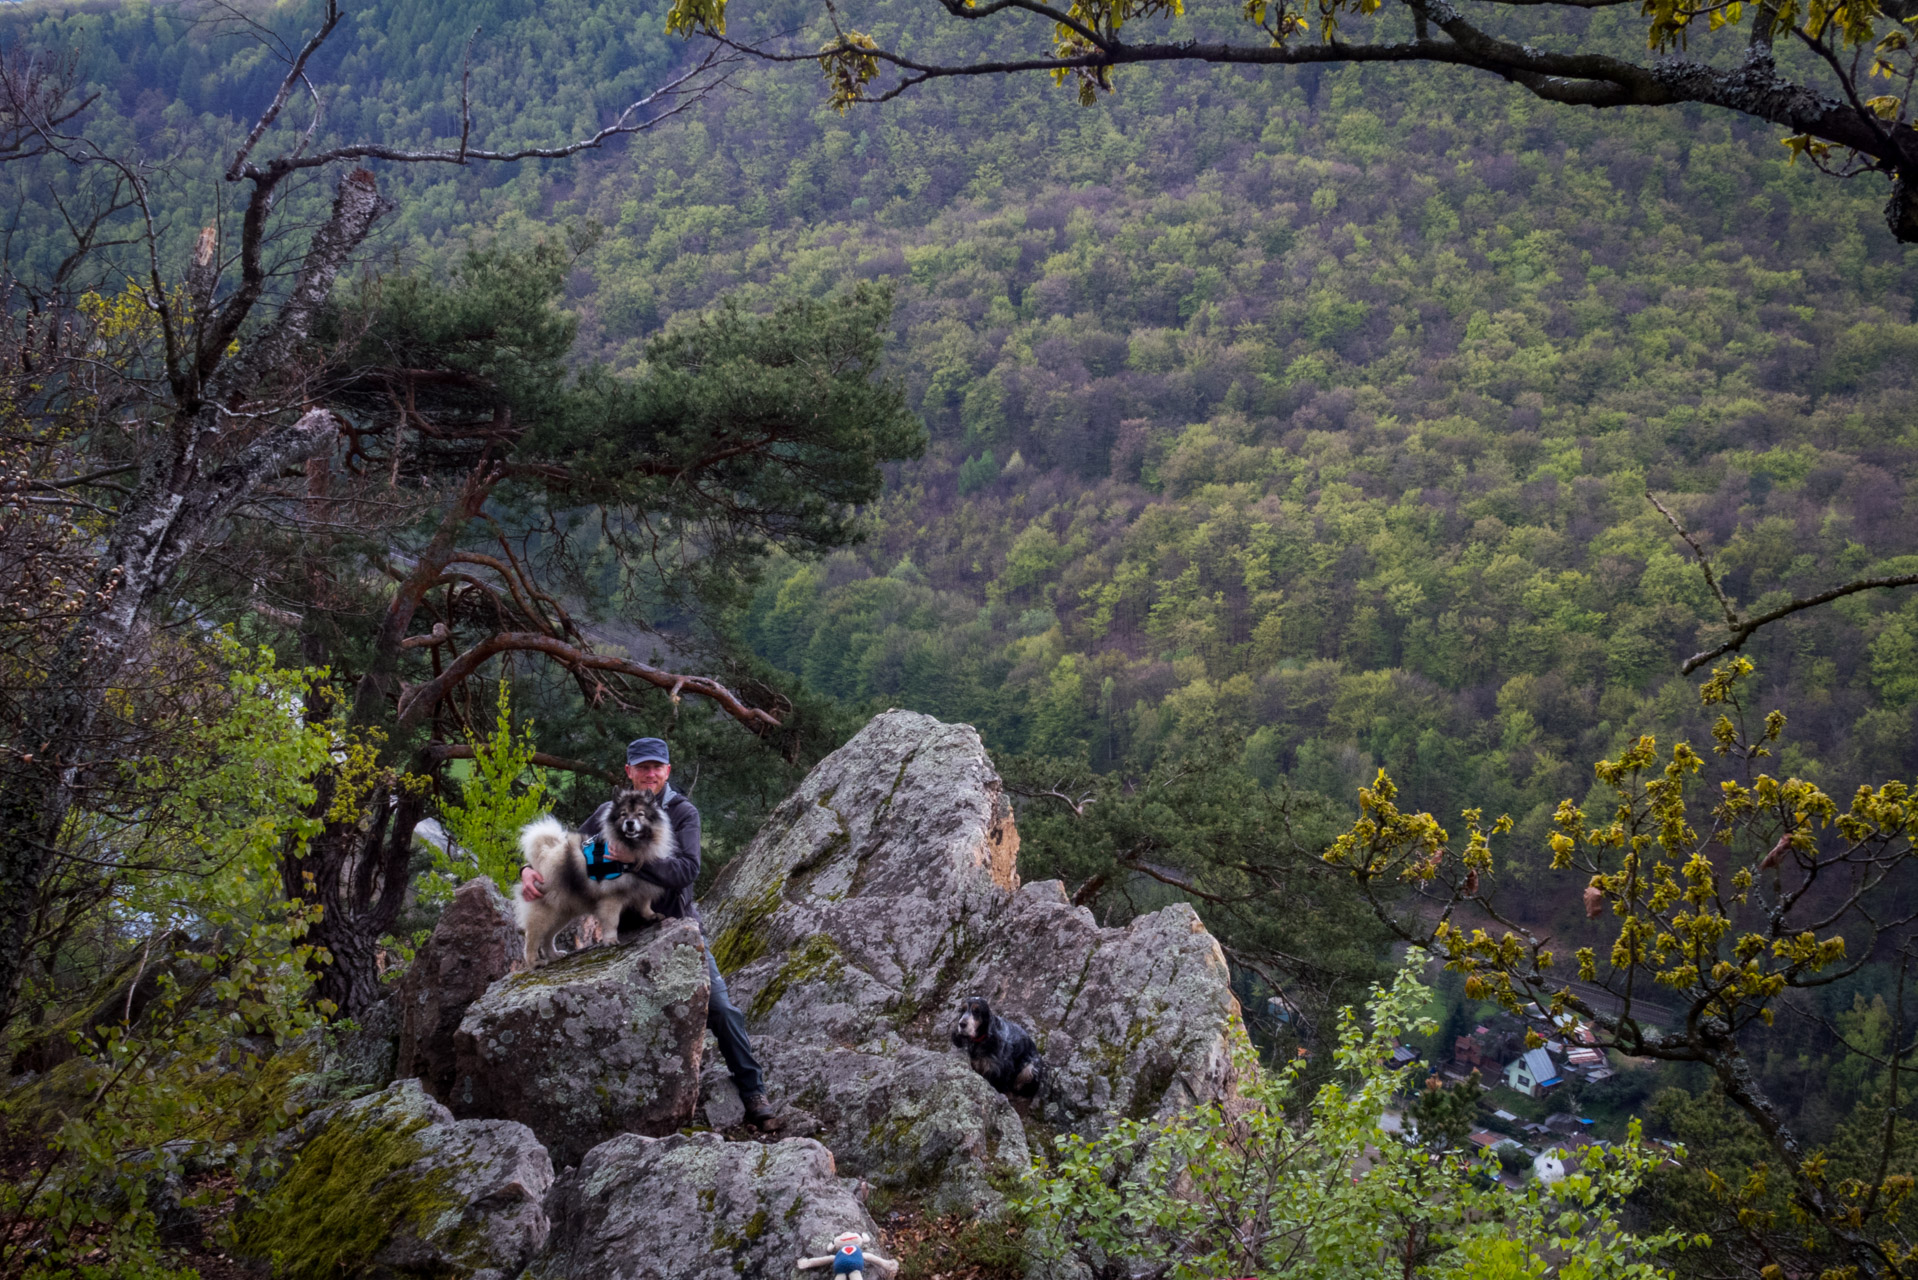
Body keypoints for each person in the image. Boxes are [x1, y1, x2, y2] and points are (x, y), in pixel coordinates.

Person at [518, 736, 781, 1131]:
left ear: (667, 771)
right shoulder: (611, 811)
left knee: (722, 1010)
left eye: (657, 767)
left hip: (672, 926)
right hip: (617, 935)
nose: (650, 773)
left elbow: (686, 871)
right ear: (629, 772)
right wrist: (527, 872)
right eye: (642, 767)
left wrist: (634, 863)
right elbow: (573, 852)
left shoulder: (682, 812)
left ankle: (753, 1092)